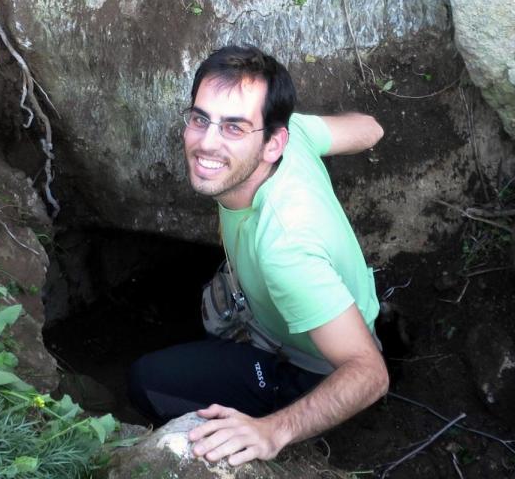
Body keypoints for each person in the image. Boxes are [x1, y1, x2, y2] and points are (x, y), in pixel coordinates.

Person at [127, 44, 388, 465]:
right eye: (200, 119)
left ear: (271, 144)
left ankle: (286, 435)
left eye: (233, 128)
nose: (206, 143)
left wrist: (272, 431)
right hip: (293, 306)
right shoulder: (295, 137)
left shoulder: (286, 250)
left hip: (313, 365)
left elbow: (370, 374)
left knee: (146, 382)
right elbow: (369, 128)